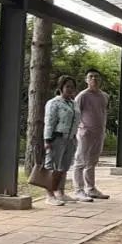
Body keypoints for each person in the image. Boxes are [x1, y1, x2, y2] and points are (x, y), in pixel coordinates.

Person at [72, 69, 111, 202]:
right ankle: (78, 190)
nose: (94, 79)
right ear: (86, 80)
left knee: (92, 162)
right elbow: (75, 114)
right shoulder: (82, 96)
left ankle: (91, 188)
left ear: (100, 80)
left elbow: (103, 113)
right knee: (80, 161)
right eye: (91, 76)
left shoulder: (104, 96)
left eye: (96, 77)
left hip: (99, 133)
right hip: (85, 133)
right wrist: (76, 131)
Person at [42, 76, 80, 206]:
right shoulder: (54, 103)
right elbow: (49, 122)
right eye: (67, 86)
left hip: (70, 139)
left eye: (72, 87)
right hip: (57, 137)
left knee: (64, 167)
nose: (70, 89)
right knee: (52, 167)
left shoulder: (74, 103)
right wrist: (47, 140)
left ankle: (60, 192)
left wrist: (74, 137)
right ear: (61, 87)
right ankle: (49, 195)